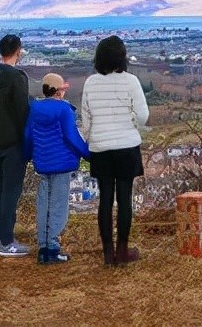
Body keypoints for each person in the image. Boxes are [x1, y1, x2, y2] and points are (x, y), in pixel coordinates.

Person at [78, 35, 148, 266]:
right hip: (127, 146)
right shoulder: (131, 81)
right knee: (125, 199)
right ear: (122, 57)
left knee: (105, 199)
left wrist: (90, 139)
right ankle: (122, 251)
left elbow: (86, 120)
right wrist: (130, 122)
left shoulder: (90, 82)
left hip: (101, 147)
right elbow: (143, 116)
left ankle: (107, 253)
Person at [23, 72, 89, 264]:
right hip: (62, 163)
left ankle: (43, 246)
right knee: (59, 205)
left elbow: (28, 136)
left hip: (42, 163)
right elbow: (71, 137)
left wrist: (28, 156)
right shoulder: (64, 110)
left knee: (44, 204)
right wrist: (87, 154)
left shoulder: (33, 109)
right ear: (58, 92)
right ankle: (53, 247)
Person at [0, 34, 31, 257]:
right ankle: (7, 241)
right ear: (18, 51)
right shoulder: (17, 77)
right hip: (13, 141)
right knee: (11, 191)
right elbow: (22, 112)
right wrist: (27, 140)